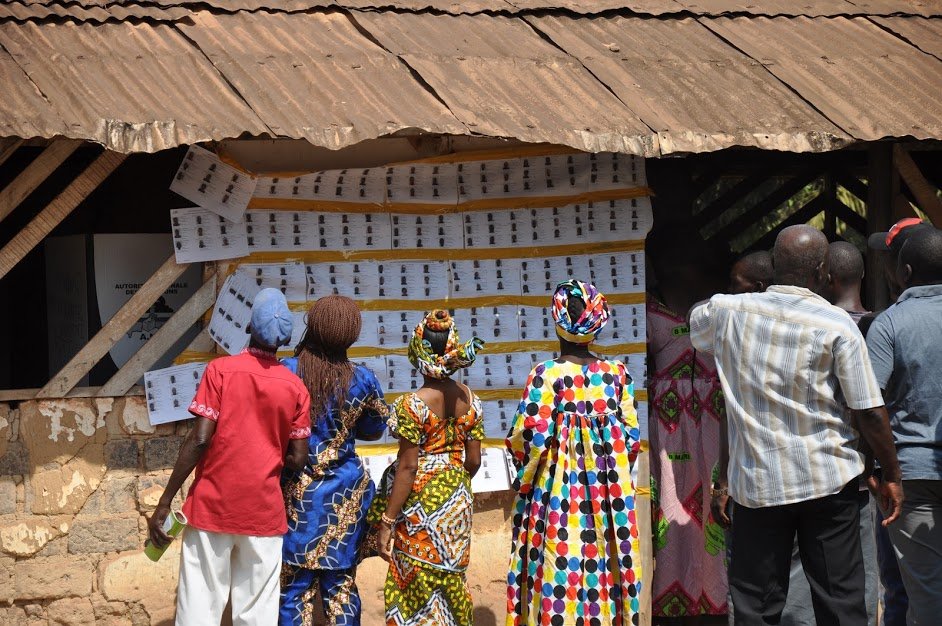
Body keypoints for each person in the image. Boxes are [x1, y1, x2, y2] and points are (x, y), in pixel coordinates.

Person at [690, 225, 904, 626]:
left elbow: (696, 321)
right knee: (840, 605)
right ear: (822, 271)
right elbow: (869, 411)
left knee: (756, 608)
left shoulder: (725, 312)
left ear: (772, 265)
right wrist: (890, 473)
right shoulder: (838, 325)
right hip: (828, 484)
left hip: (757, 487)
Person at [147, 288, 311, 625]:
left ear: (250, 328)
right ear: (283, 339)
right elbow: (297, 458)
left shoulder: (220, 371)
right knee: (257, 611)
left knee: (199, 606)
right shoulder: (295, 387)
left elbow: (199, 439)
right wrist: (266, 454)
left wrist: (166, 500)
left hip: (212, 507)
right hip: (263, 513)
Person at [507, 280, 642, 626]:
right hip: (611, 498)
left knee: (557, 565)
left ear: (557, 321)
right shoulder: (617, 375)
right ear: (598, 325)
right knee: (608, 569)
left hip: (557, 496)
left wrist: (522, 480)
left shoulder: (546, 376)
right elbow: (631, 439)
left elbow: (529, 440)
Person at [370, 309, 485, 626]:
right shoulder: (472, 401)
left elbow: (407, 468)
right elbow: (473, 461)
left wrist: (387, 520)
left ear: (417, 352)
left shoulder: (412, 405)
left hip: (420, 504)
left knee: (416, 588)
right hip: (458, 502)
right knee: (451, 582)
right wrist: (453, 483)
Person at [279, 295, 387, 626]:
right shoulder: (363, 379)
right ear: (350, 335)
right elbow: (374, 429)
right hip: (345, 500)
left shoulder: (287, 371)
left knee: (294, 590)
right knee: (341, 588)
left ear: (312, 327)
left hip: (297, 498)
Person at [647, 233, 729, 622]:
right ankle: (670, 596)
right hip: (667, 425)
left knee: (713, 506)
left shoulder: (721, 307)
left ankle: (712, 597)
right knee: (669, 505)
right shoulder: (646, 307)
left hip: (713, 419)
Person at [866, 227, 942, 625]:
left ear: (906, 271)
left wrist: (881, 471)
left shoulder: (889, 324)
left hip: (910, 475)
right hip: (914, 476)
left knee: (925, 593)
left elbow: (868, 405)